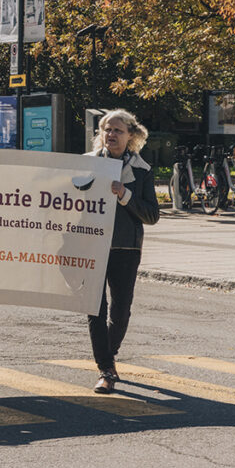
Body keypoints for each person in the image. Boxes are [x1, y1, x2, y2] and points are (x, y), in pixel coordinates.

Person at [85, 109, 160, 394]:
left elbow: (152, 215)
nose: (111, 135)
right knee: (94, 309)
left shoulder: (142, 170)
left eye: (118, 130)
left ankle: (109, 354)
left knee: (121, 310)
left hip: (126, 248)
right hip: (92, 247)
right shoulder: (86, 165)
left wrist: (124, 195)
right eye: (107, 129)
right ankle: (106, 369)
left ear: (131, 135)